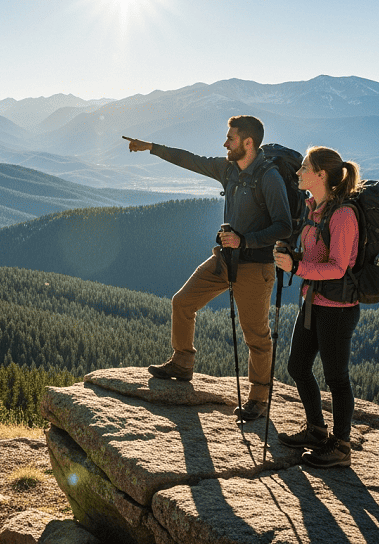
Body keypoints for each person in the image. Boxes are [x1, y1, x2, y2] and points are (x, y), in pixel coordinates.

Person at [124, 115, 292, 421]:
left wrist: (244, 240)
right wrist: (151, 147)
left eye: (230, 138)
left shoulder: (269, 178)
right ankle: (182, 363)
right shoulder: (229, 169)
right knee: (182, 302)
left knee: (256, 335)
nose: (224, 143)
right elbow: (192, 160)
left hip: (255, 267)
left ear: (248, 142)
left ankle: (258, 398)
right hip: (225, 260)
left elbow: (284, 226)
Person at [273, 146, 361, 468]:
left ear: (320, 175)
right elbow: (316, 258)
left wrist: (296, 269)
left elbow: (338, 267)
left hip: (337, 308)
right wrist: (294, 258)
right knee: (297, 367)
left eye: (304, 168)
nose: (298, 173)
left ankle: (340, 447)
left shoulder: (342, 215)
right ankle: (316, 430)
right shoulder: (315, 209)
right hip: (313, 302)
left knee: (336, 378)